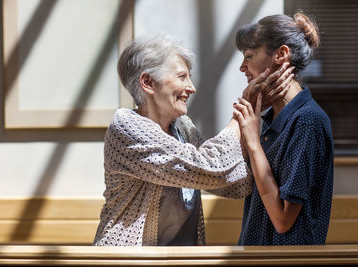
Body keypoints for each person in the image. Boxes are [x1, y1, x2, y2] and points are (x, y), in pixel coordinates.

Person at [93, 35, 293, 246]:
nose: (191, 87)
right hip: (126, 259)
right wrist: (243, 110)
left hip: (181, 259)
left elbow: (234, 184)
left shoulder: (182, 127)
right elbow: (209, 166)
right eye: (182, 77)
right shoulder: (127, 127)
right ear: (148, 82)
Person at [233, 12, 334, 245]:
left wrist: (253, 142)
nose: (242, 67)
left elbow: (283, 220)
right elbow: (235, 182)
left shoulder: (308, 121)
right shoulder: (268, 118)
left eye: (249, 56)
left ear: (281, 54)